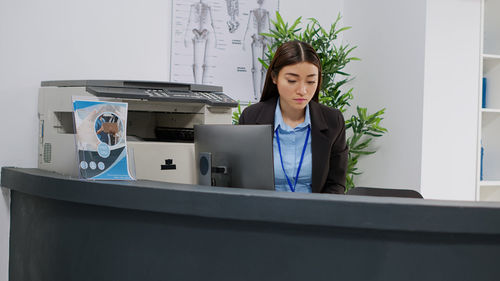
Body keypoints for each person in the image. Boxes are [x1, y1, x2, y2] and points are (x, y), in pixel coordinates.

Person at [239, 40, 348, 194]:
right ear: (274, 77)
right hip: (264, 213)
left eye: (311, 81)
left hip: (315, 214)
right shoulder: (250, 118)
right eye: (292, 81)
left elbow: (336, 184)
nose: (302, 90)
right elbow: (241, 180)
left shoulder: (333, 121)